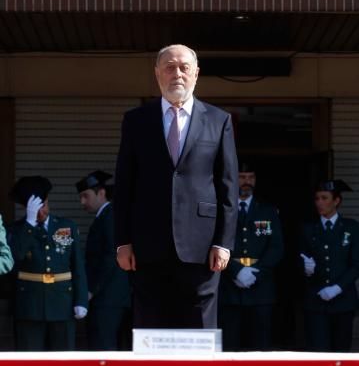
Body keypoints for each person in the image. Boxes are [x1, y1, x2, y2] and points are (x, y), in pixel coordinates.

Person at [113, 44, 238, 329]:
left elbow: (227, 187)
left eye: (184, 67)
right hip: (148, 244)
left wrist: (223, 242)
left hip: (202, 245)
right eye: (169, 67)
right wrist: (123, 241)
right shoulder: (136, 121)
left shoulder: (219, 121)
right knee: (150, 322)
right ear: (157, 74)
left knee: (200, 326)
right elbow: (124, 185)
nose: (177, 73)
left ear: (196, 73)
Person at [9, 176, 88, 351]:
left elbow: (77, 265)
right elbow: (14, 258)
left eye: (43, 206)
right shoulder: (16, 230)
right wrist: (29, 223)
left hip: (62, 303)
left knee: (63, 363)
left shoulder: (66, 226)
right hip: (29, 306)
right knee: (29, 363)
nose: (41, 212)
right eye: (35, 209)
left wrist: (81, 299)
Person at [219, 163, 283, 350]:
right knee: (230, 346)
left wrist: (256, 273)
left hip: (261, 290)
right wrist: (236, 271)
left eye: (251, 177)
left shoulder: (268, 210)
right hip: (230, 289)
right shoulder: (223, 208)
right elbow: (214, 244)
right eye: (242, 177)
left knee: (259, 347)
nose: (247, 182)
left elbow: (276, 247)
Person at [300, 179, 359, 352]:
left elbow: (356, 264)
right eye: (317, 198)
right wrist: (306, 269)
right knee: (318, 353)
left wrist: (338, 287)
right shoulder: (308, 228)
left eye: (325, 198)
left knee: (341, 353)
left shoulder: (351, 228)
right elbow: (299, 258)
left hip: (343, 301)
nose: (320, 203)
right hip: (315, 301)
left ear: (336, 201)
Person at [76, 170, 131, 350]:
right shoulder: (107, 216)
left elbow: (110, 257)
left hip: (108, 299)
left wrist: (92, 289)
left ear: (101, 193)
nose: (82, 202)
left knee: (104, 350)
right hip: (113, 298)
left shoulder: (109, 216)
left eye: (86, 196)